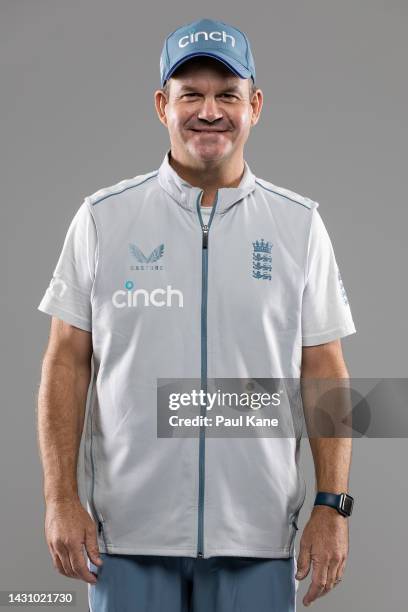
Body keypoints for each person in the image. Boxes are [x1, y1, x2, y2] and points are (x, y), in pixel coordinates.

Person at [37, 17, 356, 612]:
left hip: (259, 541)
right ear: (163, 104)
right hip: (126, 541)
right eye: (191, 95)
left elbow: (325, 369)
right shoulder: (103, 219)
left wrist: (331, 504)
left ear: (254, 105)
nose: (209, 111)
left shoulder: (299, 226)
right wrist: (60, 497)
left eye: (227, 95)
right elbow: (66, 362)